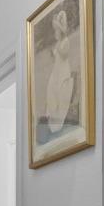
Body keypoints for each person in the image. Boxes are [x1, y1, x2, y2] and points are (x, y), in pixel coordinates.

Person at [41, 8, 77, 143]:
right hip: (56, 72)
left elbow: (63, 54)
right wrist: (53, 52)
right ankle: (51, 122)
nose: (55, 33)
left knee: (59, 92)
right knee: (50, 88)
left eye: (56, 31)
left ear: (60, 31)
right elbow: (56, 56)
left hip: (63, 73)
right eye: (55, 31)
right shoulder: (57, 43)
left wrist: (57, 50)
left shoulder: (65, 41)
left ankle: (57, 124)